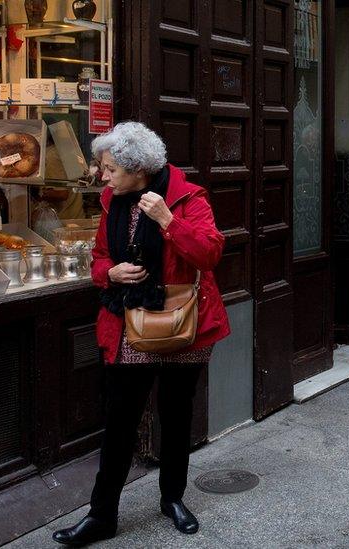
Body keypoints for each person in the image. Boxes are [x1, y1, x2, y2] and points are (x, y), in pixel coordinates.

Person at [53, 122, 231, 545]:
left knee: (176, 417)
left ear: (138, 169)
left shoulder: (188, 198)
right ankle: (102, 516)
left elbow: (209, 253)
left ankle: (173, 498)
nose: (104, 175)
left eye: (111, 168)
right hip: (128, 325)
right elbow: (98, 259)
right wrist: (109, 272)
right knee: (118, 423)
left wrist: (168, 220)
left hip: (182, 324)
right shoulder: (112, 202)